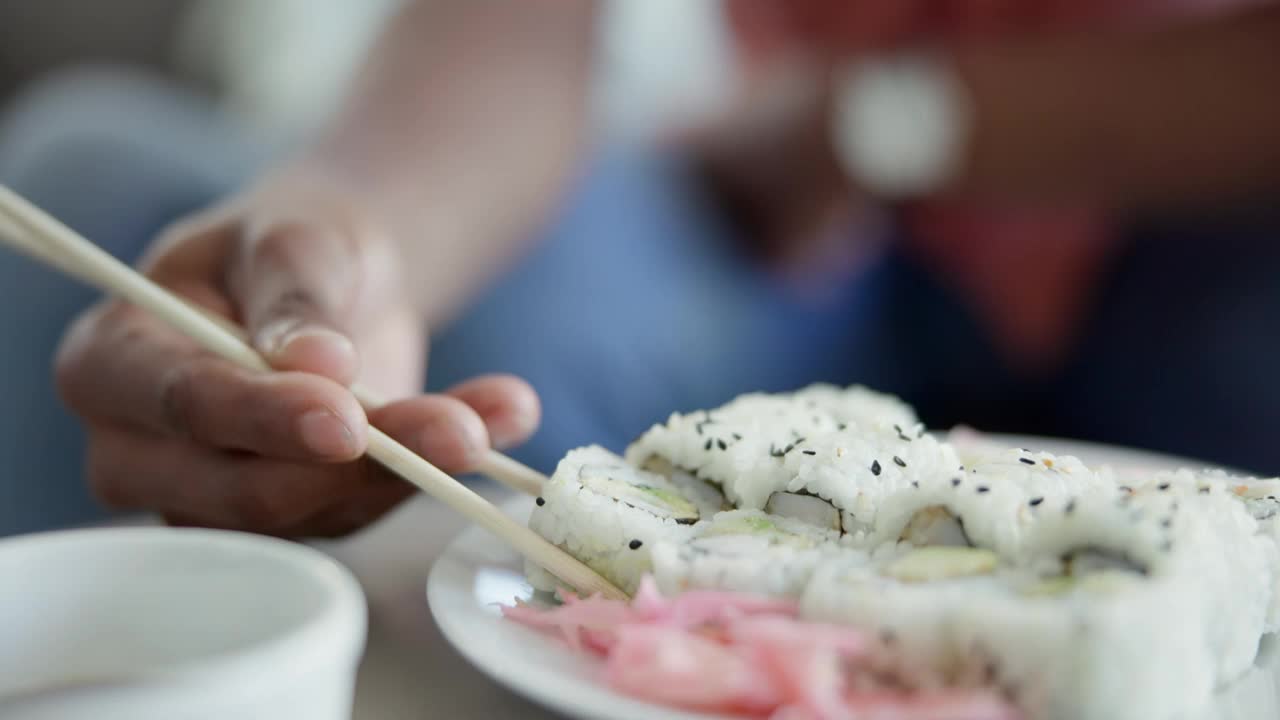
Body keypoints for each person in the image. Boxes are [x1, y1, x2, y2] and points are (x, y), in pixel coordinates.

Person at [1, 0, 1278, 537]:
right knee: (95, 176)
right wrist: (362, 230)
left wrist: (886, 119)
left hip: (1199, 228)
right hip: (812, 230)